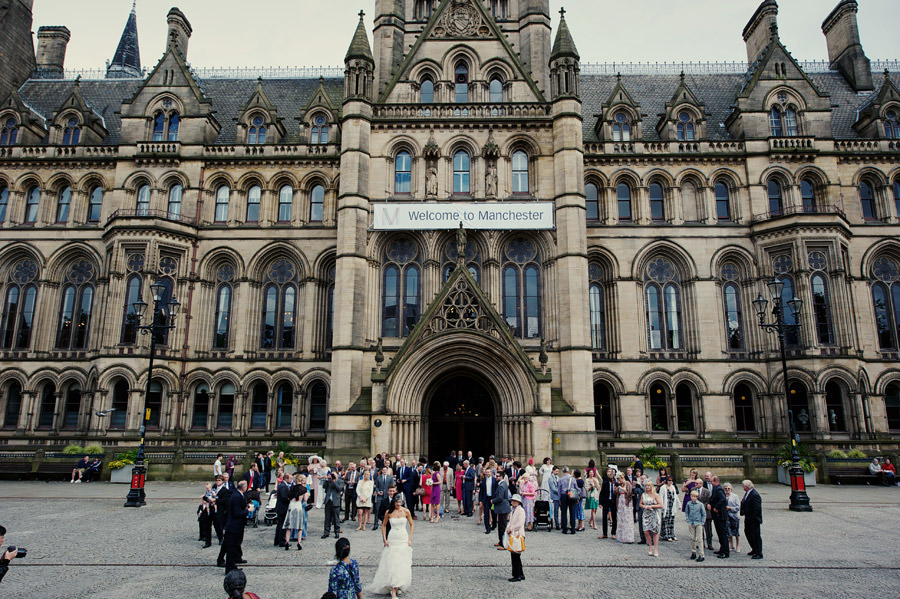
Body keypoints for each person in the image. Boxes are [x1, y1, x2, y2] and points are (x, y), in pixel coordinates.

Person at [368, 494, 414, 599]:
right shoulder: (388, 512)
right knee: (392, 562)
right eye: (397, 502)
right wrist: (384, 538)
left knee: (401, 562)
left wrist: (410, 538)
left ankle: (398, 585)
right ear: (393, 502)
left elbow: (412, 524)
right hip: (393, 537)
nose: (398, 504)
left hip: (402, 537)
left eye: (400, 502)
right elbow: (384, 525)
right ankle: (393, 587)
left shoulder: (406, 511)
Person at [219, 480, 253, 572]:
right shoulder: (236, 496)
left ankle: (233, 562)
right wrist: (248, 511)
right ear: (243, 487)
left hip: (236, 525)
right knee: (231, 546)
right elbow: (237, 512)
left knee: (232, 544)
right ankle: (229, 567)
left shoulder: (239, 495)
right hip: (233, 525)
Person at [740, 479, 763, 560]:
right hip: (748, 517)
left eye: (743, 485)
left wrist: (753, 518)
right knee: (748, 533)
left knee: (755, 536)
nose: (742, 487)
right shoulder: (748, 493)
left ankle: (759, 552)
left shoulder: (754, 494)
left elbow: (757, 508)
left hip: (753, 519)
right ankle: (754, 549)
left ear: (746, 486)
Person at [505, 494, 526, 582]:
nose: (512, 502)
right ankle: (520, 574)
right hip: (514, 533)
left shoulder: (520, 511)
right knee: (515, 556)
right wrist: (508, 528)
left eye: (514, 501)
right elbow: (511, 521)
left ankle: (517, 575)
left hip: (518, 534)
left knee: (515, 556)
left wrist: (511, 528)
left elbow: (520, 523)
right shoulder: (513, 510)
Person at [284, 476, 307, 550]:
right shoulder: (304, 489)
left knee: (289, 525)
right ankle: (299, 542)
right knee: (299, 526)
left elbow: (288, 497)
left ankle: (287, 541)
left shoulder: (292, 488)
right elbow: (305, 499)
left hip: (291, 505)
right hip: (298, 505)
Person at [709, 475, 729, 558]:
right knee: (719, 533)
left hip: (720, 515)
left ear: (716, 481)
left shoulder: (719, 489)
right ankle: (722, 549)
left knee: (722, 534)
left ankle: (725, 551)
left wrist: (716, 507)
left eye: (712, 481)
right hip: (717, 516)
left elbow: (723, 499)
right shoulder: (715, 488)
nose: (710, 483)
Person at [641, 481, 662, 557]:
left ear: (651, 487)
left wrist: (652, 506)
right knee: (646, 531)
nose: (647, 487)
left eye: (648, 486)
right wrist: (644, 506)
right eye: (646, 486)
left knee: (654, 532)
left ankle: (656, 548)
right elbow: (640, 504)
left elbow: (660, 505)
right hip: (646, 514)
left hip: (654, 514)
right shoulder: (643, 495)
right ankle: (650, 546)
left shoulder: (656, 495)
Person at [491, 470, 511, 549]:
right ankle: (500, 541)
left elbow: (500, 497)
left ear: (502, 477)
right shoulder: (502, 484)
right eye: (496, 476)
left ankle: (503, 543)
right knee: (500, 525)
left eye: (498, 476)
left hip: (503, 507)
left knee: (502, 526)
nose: (496, 477)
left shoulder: (502, 485)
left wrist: (493, 500)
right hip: (502, 508)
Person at [323, 470, 345, 539]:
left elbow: (339, 488)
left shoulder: (340, 481)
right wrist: (327, 479)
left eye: (334, 475)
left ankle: (337, 532)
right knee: (327, 518)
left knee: (336, 518)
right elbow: (324, 487)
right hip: (328, 501)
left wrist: (334, 481)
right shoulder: (329, 481)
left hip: (336, 501)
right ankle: (326, 532)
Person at [685, 490, 706, 562]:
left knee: (699, 539)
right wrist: (688, 520)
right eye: (692, 496)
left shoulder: (700, 504)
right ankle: (693, 552)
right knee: (692, 538)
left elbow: (703, 514)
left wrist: (702, 522)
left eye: (695, 497)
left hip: (698, 523)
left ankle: (701, 554)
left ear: (697, 497)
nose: (693, 498)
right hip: (691, 522)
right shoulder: (688, 504)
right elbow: (687, 512)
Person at [614, 472, 634, 543]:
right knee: (621, 518)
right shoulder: (619, 484)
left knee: (627, 518)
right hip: (620, 501)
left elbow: (629, 492)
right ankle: (621, 536)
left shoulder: (627, 483)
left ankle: (628, 537)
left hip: (626, 502)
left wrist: (621, 488)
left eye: (619, 479)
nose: (618, 481)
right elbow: (616, 493)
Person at [274, 472, 292, 547]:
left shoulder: (283, 485)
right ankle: (281, 541)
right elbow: (285, 497)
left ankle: (277, 540)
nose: (291, 480)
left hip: (281, 507)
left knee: (280, 524)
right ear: (286, 478)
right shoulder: (283, 486)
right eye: (290, 478)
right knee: (282, 525)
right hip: (282, 508)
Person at [598, 467, 617, 539]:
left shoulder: (616, 482)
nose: (610, 474)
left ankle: (613, 533)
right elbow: (602, 493)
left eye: (611, 473)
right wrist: (600, 502)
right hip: (606, 501)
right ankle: (604, 533)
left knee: (614, 517)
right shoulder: (605, 482)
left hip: (613, 501)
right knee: (604, 517)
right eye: (608, 473)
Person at [558, 466, 577, 535]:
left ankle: (565, 529)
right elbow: (576, 488)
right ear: (568, 471)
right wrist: (577, 497)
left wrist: (559, 499)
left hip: (563, 495)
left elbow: (559, 490)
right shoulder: (573, 479)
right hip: (571, 494)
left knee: (564, 513)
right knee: (572, 512)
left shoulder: (560, 479)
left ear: (563, 472)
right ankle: (573, 529)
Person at [659, 477, 679, 542]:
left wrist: (679, 504)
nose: (670, 482)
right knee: (666, 521)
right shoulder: (663, 487)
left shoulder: (673, 487)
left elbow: (676, 496)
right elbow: (661, 497)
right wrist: (661, 506)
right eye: (669, 480)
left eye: (671, 481)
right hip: (666, 506)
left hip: (672, 506)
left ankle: (672, 534)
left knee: (671, 521)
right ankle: (666, 535)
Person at [724, 482, 741, 553]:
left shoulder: (735, 496)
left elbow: (738, 507)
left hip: (734, 516)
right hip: (726, 517)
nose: (727, 490)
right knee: (728, 532)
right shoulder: (723, 496)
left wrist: (730, 508)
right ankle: (731, 545)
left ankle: (738, 546)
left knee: (736, 532)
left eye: (729, 488)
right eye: (726, 488)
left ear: (731, 489)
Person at [700, 471, 714, 551]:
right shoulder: (703, 484)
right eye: (705, 476)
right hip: (705, 508)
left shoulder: (714, 485)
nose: (706, 477)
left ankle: (710, 543)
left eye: (708, 476)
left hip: (712, 508)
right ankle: (702, 543)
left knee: (709, 528)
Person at [479, 467, 495, 534]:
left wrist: (495, 499)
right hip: (486, 498)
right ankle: (487, 528)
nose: (488, 473)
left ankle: (494, 525)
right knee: (486, 514)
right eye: (487, 472)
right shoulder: (484, 480)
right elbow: (481, 491)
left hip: (492, 498)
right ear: (485, 473)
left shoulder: (494, 480)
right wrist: (481, 500)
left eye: (489, 472)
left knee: (494, 512)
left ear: (491, 473)